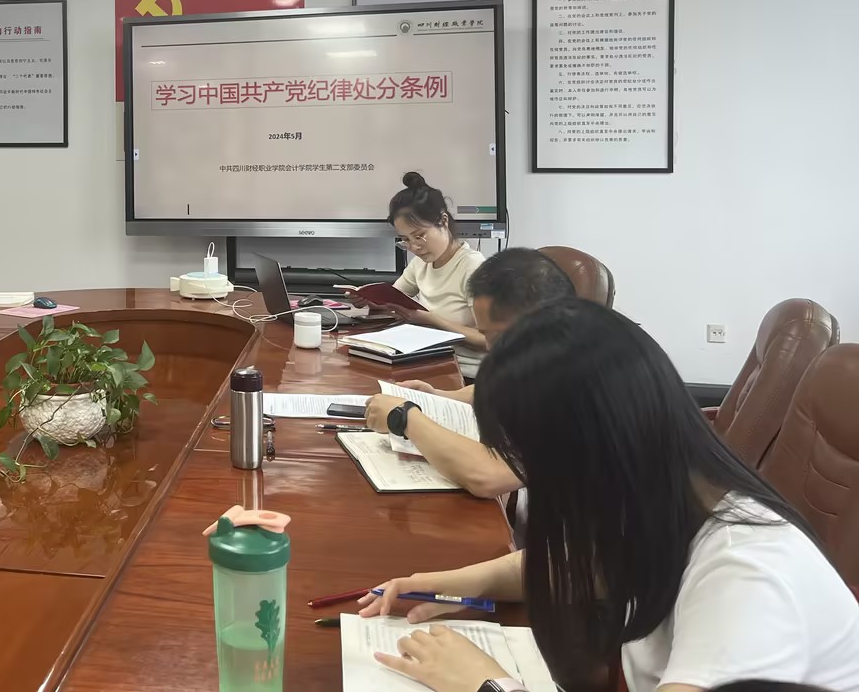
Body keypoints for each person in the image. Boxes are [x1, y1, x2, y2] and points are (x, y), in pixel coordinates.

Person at [358, 300, 859, 692]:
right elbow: (591, 561)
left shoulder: (746, 576)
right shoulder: (670, 497)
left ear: (597, 452)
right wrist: (453, 584)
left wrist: (486, 684)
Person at [363, 248, 576, 497]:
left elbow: (489, 476)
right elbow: (503, 388)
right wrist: (439, 397)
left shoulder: (581, 378)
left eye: (496, 336)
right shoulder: (549, 351)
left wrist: (404, 417)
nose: (490, 347)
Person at [354, 172, 488, 379]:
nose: (414, 247)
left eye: (419, 236)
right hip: (426, 361)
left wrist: (431, 320)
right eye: (405, 240)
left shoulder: (473, 267)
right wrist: (370, 300)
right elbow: (394, 298)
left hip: (465, 375)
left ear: (443, 221)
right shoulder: (421, 263)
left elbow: (489, 341)